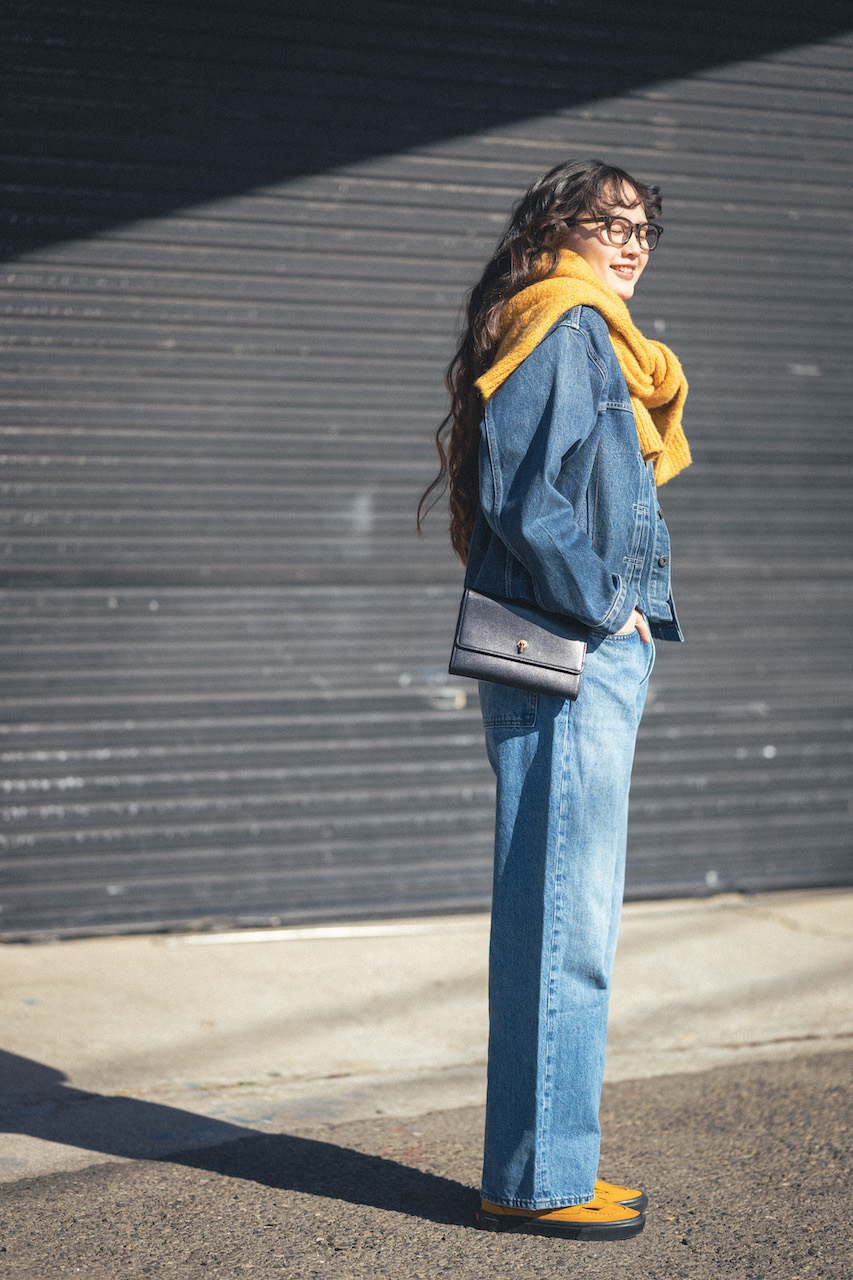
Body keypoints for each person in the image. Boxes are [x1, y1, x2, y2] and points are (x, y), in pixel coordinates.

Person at [418, 159, 691, 1241]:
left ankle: (548, 1162)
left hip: (585, 651)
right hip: (570, 650)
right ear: (557, 228)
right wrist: (608, 606)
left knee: (570, 917)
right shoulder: (563, 324)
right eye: (607, 223)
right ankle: (537, 1180)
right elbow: (526, 497)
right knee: (563, 923)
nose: (630, 244)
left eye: (642, 229)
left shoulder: (591, 335)